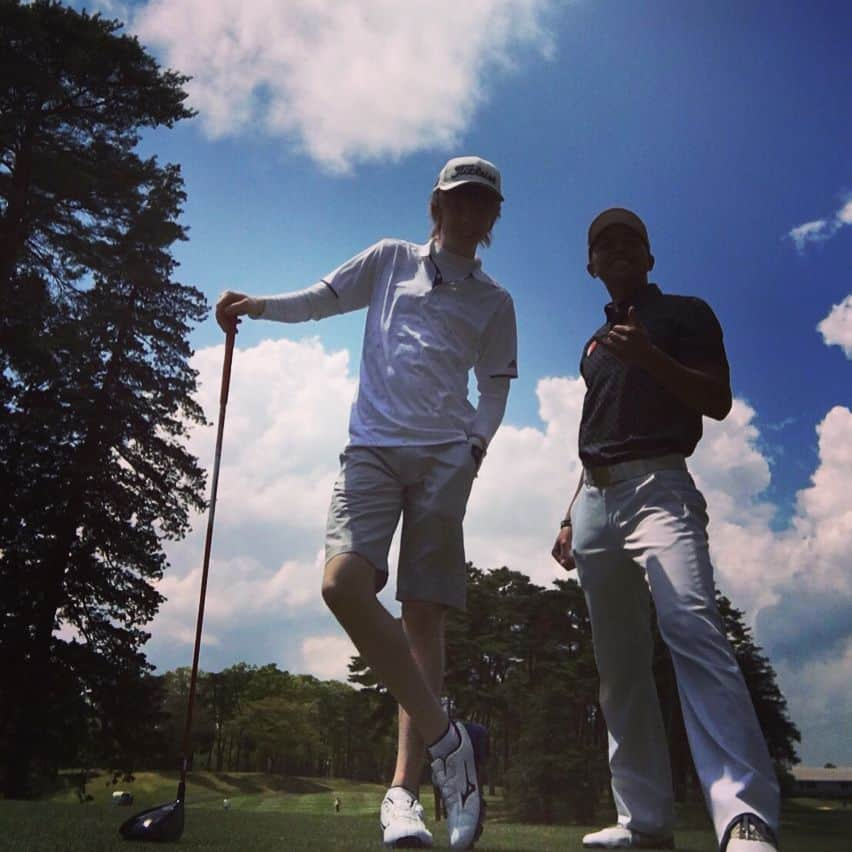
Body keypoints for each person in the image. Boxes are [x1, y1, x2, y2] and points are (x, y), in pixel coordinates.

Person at [216, 156, 517, 850]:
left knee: (423, 617)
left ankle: (403, 797)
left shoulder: (495, 302)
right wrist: (258, 306)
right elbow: (319, 299)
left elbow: (497, 384)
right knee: (342, 585)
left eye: (483, 204)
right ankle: (452, 747)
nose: (471, 213)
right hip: (373, 450)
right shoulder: (389, 260)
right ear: (437, 205)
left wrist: (475, 447)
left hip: (447, 457)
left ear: (493, 216)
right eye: (459, 201)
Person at [552, 208, 780, 852]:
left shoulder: (685, 313)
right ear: (591, 265)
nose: (618, 249)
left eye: (631, 240)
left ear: (649, 258)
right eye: (603, 243)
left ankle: (744, 815)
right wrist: (571, 510)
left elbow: (718, 399)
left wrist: (651, 356)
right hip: (595, 500)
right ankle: (644, 820)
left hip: (661, 488)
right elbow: (596, 433)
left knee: (691, 629)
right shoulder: (592, 346)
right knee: (619, 666)